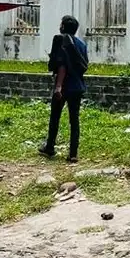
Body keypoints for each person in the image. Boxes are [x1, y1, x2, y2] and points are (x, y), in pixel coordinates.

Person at [39, 15, 89, 163]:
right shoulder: (81, 44)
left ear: (62, 27)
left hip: (64, 85)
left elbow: (62, 65)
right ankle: (73, 153)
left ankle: (49, 148)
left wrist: (58, 86)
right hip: (78, 85)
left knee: (55, 117)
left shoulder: (61, 40)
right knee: (74, 120)